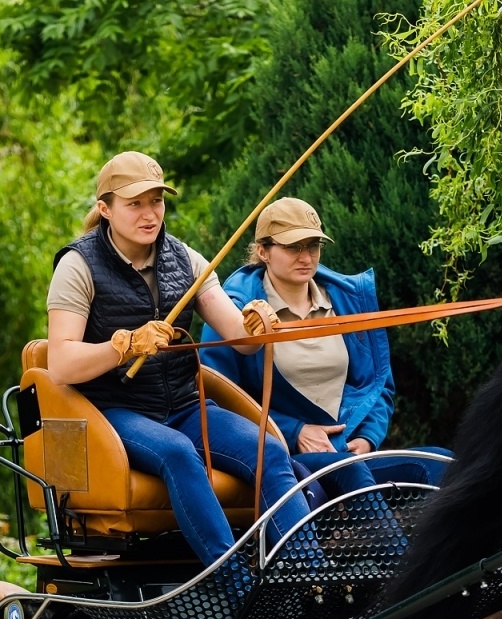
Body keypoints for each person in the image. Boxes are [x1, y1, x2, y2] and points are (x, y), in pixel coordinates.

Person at [45, 151, 309, 570]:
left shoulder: (187, 259)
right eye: (134, 203)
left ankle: (310, 575)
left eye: (156, 201)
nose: (150, 213)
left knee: (270, 452)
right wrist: (126, 345)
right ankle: (234, 584)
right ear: (105, 209)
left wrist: (257, 324)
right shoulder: (78, 266)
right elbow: (60, 364)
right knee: (179, 453)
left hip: (186, 407)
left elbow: (240, 340)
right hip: (112, 412)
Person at [199, 197, 450, 495]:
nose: (306, 257)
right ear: (263, 251)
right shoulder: (232, 312)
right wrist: (293, 431)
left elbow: (379, 383)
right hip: (282, 461)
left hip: (348, 454)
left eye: (313, 246)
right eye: (293, 247)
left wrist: (368, 437)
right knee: (349, 472)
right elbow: (218, 401)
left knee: (443, 465)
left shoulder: (349, 300)